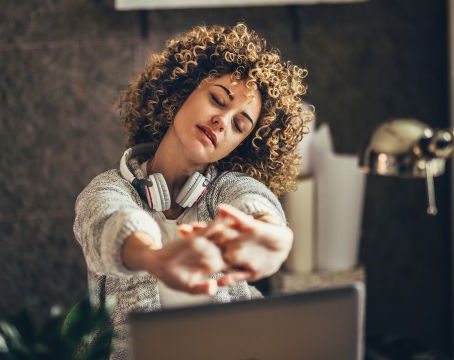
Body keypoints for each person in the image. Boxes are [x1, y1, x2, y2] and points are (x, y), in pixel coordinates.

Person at [73, 22, 312, 359]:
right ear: (182, 91)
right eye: (218, 99)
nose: (222, 121)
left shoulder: (226, 189)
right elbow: (110, 222)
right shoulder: (108, 190)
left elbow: (256, 204)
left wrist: (276, 238)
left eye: (239, 125)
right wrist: (154, 259)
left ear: (239, 147)